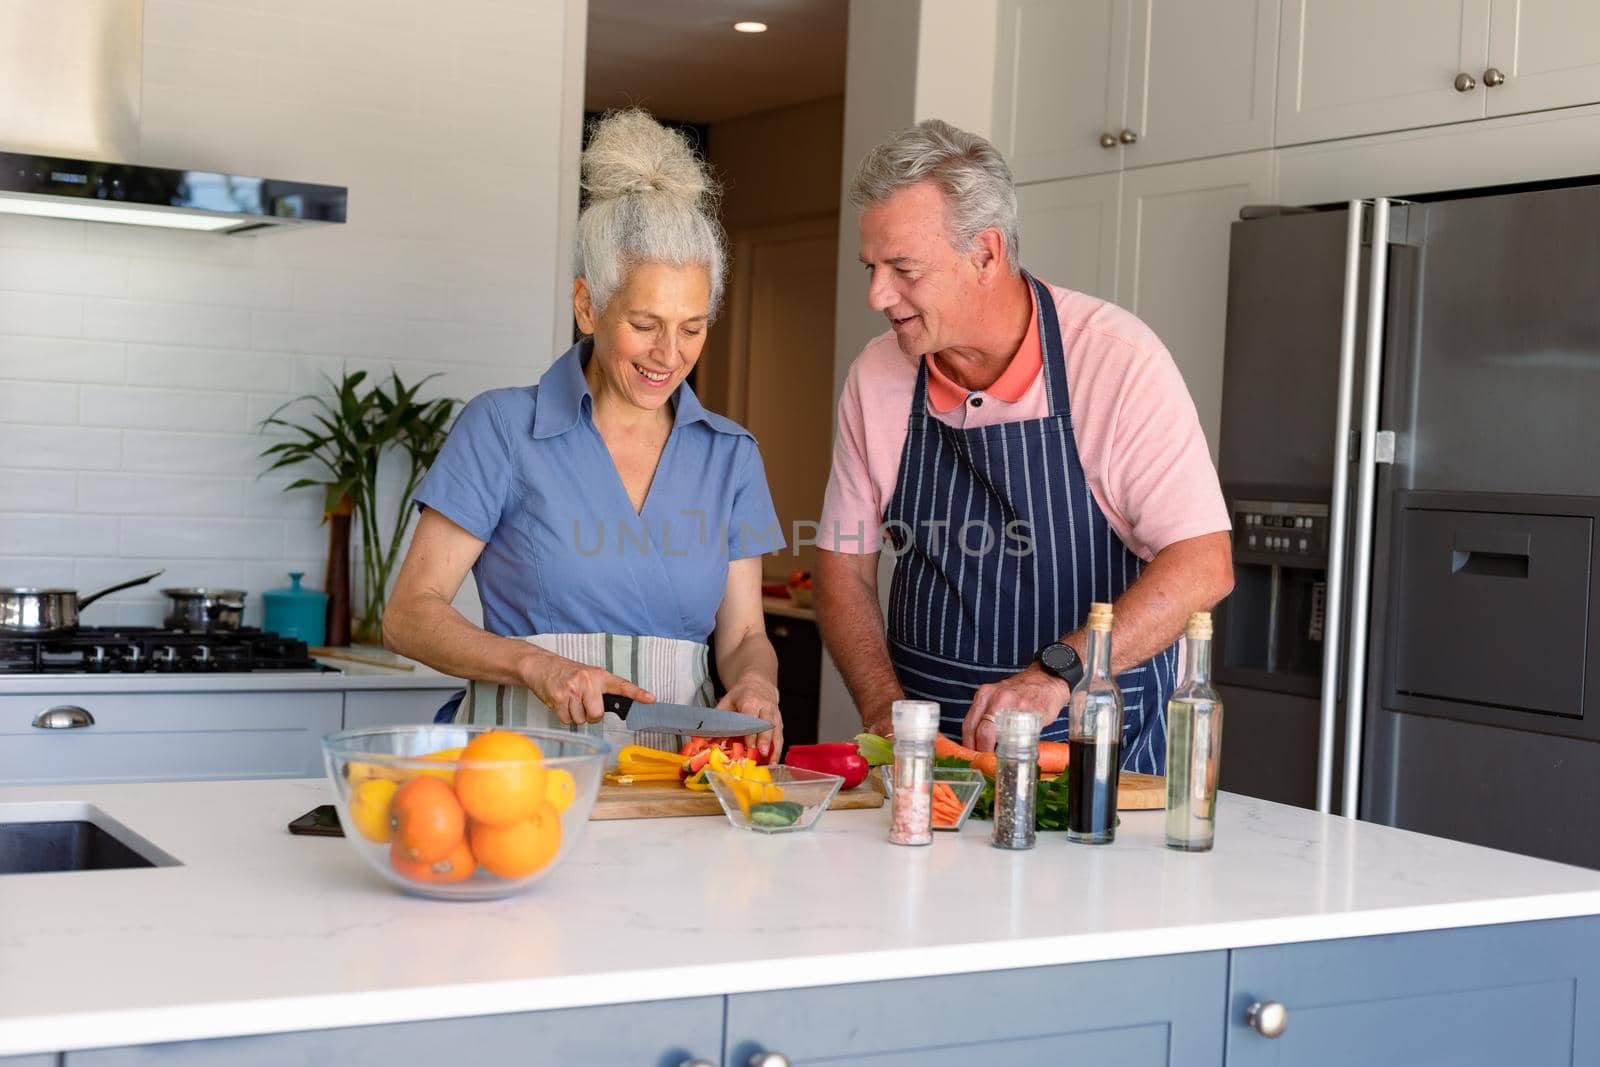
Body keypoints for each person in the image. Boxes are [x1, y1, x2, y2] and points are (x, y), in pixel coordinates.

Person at [814, 119, 1233, 774]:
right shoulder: (877, 376)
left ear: (985, 253)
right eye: (872, 268)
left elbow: (1204, 564)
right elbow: (843, 568)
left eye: (903, 269)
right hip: (932, 769)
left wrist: (1053, 674)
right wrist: (883, 713)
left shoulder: (1116, 361)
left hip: (1092, 758)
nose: (877, 295)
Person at [384, 109, 785, 759]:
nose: (669, 352)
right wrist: (535, 666)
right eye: (646, 322)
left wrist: (757, 685)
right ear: (587, 305)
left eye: (692, 326)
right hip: (517, 773)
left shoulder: (730, 456)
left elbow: (742, 634)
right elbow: (408, 614)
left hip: (676, 779)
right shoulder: (504, 428)